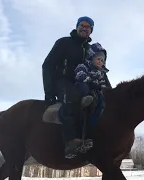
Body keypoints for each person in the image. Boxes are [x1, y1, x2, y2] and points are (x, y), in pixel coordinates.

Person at [42, 16, 112, 156]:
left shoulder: (90, 49)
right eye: (82, 25)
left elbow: (98, 68)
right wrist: (49, 92)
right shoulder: (63, 43)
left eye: (87, 27)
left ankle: (89, 136)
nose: (84, 28)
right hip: (62, 81)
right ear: (77, 26)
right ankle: (70, 142)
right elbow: (48, 65)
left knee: (98, 99)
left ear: (91, 31)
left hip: (83, 82)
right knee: (73, 96)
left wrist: (110, 91)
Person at [74, 42, 109, 109]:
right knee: (83, 86)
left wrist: (103, 88)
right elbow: (80, 75)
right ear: (92, 58)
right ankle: (83, 100)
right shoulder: (84, 66)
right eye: (98, 59)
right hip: (84, 85)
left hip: (95, 90)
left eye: (102, 61)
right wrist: (90, 82)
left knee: (101, 98)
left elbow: (102, 82)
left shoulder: (100, 73)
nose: (100, 62)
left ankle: (97, 115)